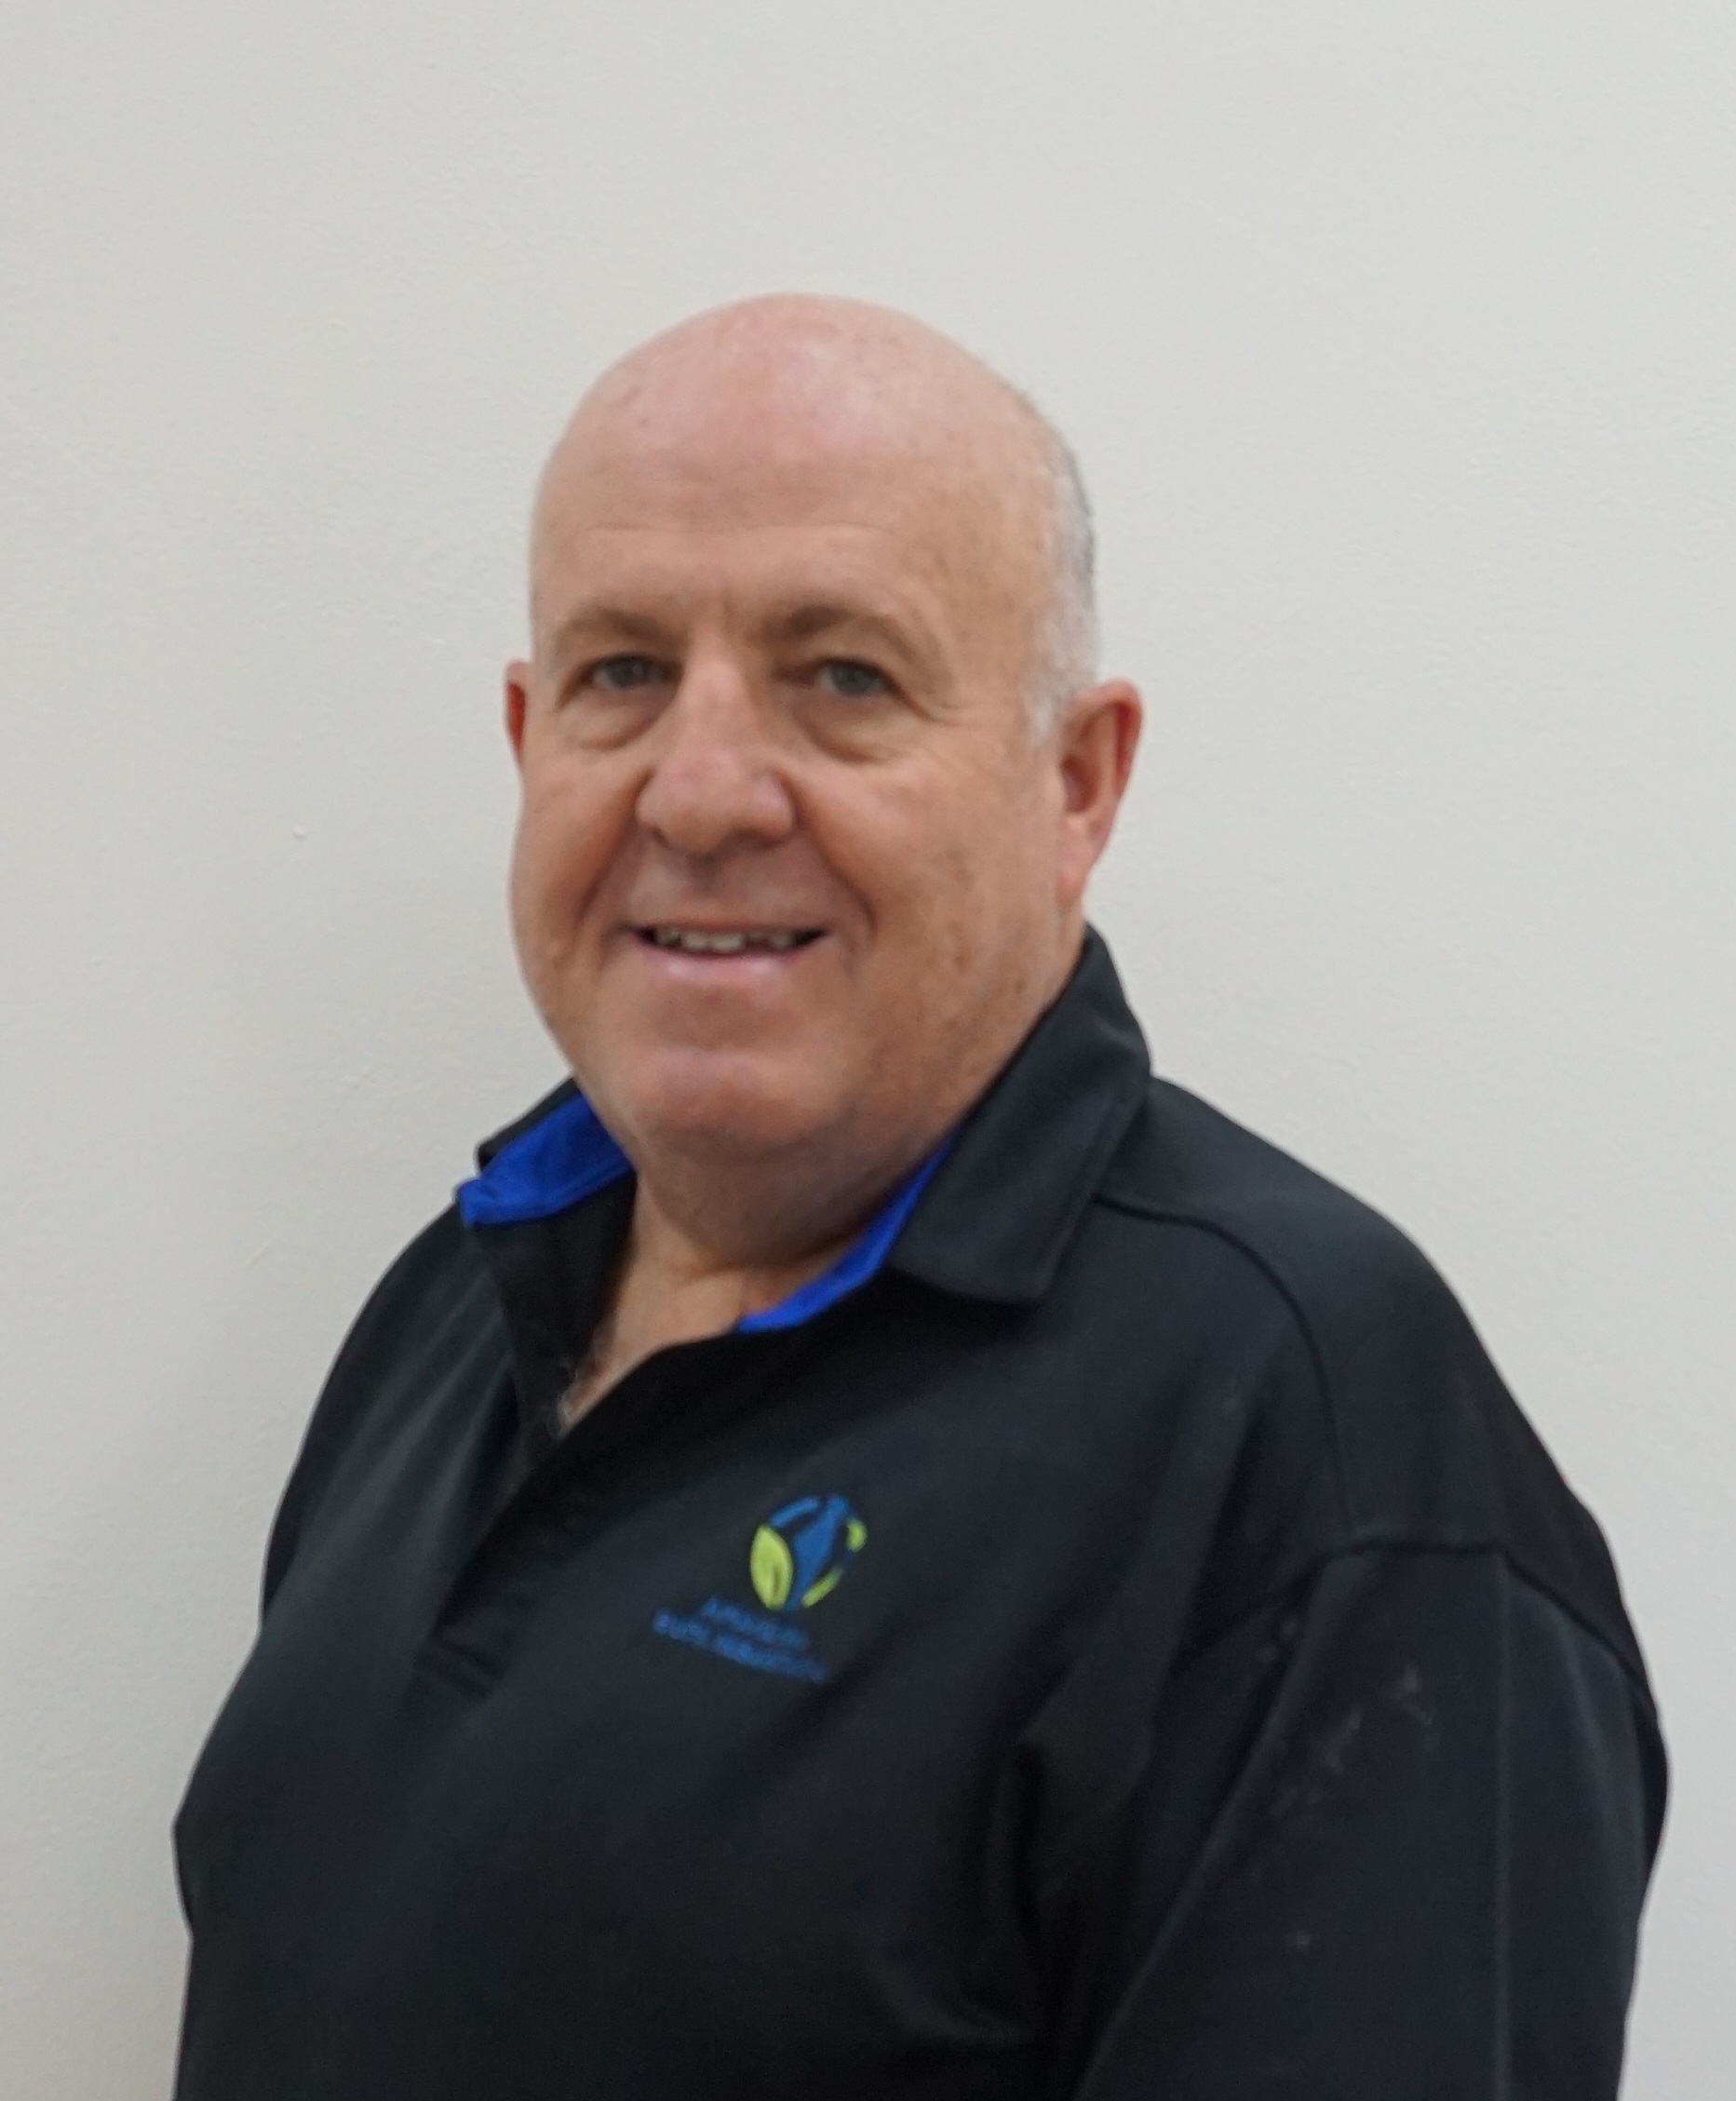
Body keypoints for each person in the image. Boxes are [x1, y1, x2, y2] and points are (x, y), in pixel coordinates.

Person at [171, 296, 1664, 2100]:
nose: (699, 793)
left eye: (844, 677)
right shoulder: (461, 1298)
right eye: (620, 673)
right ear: (524, 734)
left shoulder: (1318, 1456)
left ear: (1076, 782)